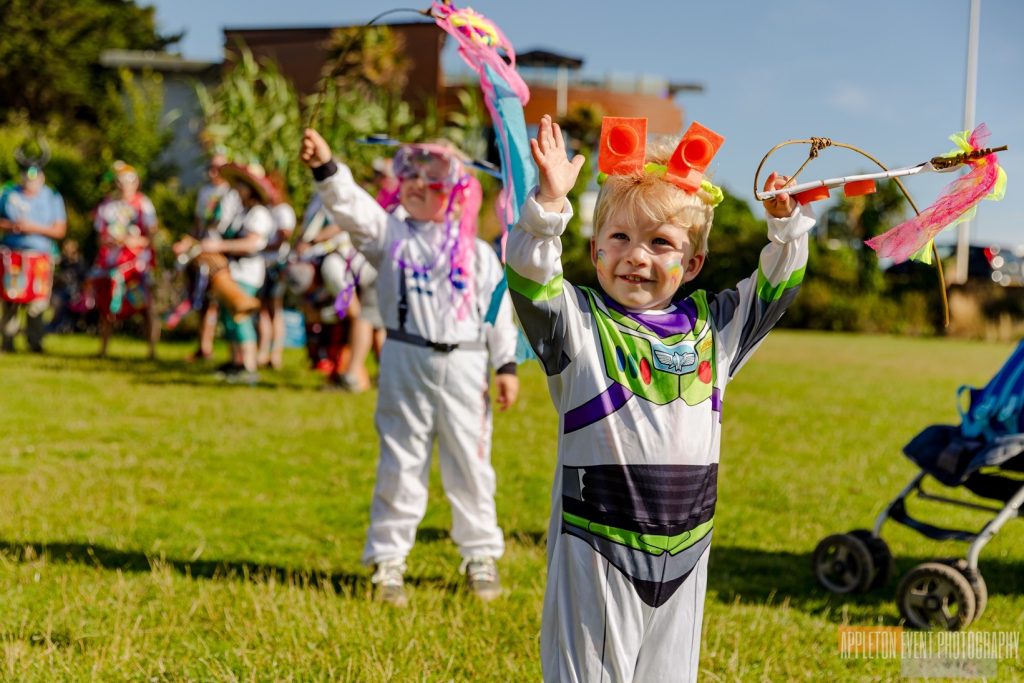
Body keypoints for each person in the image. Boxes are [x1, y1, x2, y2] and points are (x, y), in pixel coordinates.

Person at [508, 115, 815, 682]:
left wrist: (786, 224)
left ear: (692, 263)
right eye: (620, 238)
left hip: (689, 550)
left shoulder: (714, 330)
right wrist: (548, 206)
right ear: (596, 250)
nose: (637, 256)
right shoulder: (578, 324)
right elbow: (530, 275)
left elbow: (776, 285)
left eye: (661, 242)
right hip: (597, 547)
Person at [301, 128, 520, 606]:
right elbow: (353, 211)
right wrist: (326, 167)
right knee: (401, 461)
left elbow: (496, 312)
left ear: (459, 188)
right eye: (410, 174)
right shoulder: (391, 236)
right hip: (405, 359)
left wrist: (505, 363)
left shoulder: (480, 254)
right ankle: (388, 561)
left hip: (466, 365)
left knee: (471, 463)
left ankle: (480, 554)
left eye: (433, 176)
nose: (417, 184)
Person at [193, 162, 275, 384]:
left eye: (240, 185)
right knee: (229, 318)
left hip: (247, 273)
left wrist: (219, 248)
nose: (236, 190)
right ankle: (235, 362)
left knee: (240, 316)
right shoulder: (241, 212)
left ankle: (248, 365)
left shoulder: (258, 214)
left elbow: (251, 243)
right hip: (232, 271)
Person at [89, 161, 159, 359]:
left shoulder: (143, 204)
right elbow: (99, 236)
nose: (124, 185)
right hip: (111, 264)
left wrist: (131, 240)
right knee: (107, 307)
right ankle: (103, 349)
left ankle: (151, 351)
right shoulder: (107, 205)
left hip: (137, 265)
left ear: (136, 183)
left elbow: (151, 236)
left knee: (145, 306)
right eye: (120, 181)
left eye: (129, 181)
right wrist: (109, 241)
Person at [0, 147, 66, 353]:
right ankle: (7, 342)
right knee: (10, 300)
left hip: (40, 256)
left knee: (37, 303)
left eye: (35, 178)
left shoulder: (52, 196)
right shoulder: (8, 193)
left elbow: (60, 230)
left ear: (42, 178)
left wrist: (33, 228)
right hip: (13, 255)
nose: (31, 182)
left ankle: (35, 342)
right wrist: (12, 226)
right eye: (27, 178)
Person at [185, 154, 241, 362]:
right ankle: (204, 346)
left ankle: (236, 355)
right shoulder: (205, 192)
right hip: (204, 251)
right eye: (211, 167)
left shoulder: (233, 193)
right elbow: (199, 223)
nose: (213, 171)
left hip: (225, 253)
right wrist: (190, 242)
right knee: (203, 299)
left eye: (218, 167)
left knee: (224, 301)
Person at [256, 172, 297, 370]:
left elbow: (282, 239)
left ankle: (276, 353)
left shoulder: (283, 211)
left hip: (276, 265)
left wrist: (256, 246)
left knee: (275, 309)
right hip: (261, 265)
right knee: (263, 309)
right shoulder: (265, 210)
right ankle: (263, 351)